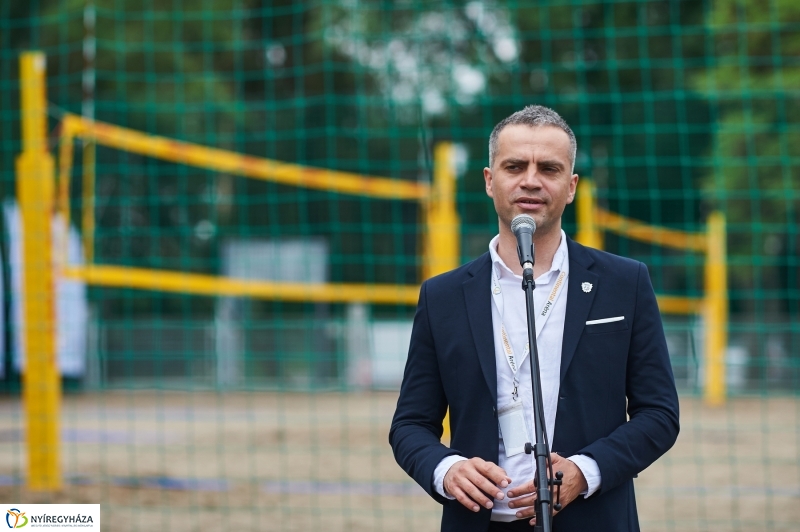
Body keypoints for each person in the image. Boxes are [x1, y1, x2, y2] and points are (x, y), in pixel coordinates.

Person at [389, 105, 679, 532]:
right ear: (490, 181)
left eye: (549, 168)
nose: (530, 179)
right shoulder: (442, 296)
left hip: (594, 519)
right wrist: (446, 469)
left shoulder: (625, 282)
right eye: (514, 166)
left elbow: (659, 414)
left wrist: (587, 470)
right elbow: (411, 424)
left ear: (571, 186)